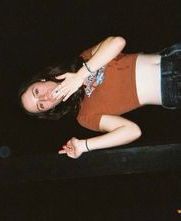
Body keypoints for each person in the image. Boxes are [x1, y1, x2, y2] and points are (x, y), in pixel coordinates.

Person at [19, 36, 181, 159]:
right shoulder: (84, 116)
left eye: (37, 92)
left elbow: (118, 42)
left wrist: (80, 75)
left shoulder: (82, 60)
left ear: (41, 80)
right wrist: (83, 146)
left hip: (172, 58)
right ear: (49, 110)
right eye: (41, 105)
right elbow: (132, 131)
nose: (44, 98)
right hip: (173, 91)